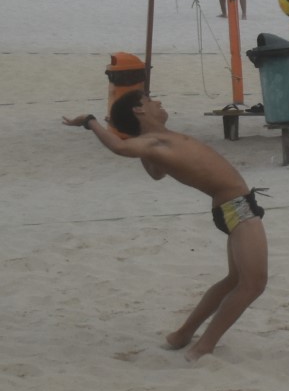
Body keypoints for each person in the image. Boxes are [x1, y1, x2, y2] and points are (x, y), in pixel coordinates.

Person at [63, 91, 269, 361]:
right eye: (149, 100)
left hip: (236, 206)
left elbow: (157, 173)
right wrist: (91, 122)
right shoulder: (152, 141)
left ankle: (181, 335)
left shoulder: (158, 142)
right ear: (139, 110)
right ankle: (202, 348)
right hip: (237, 208)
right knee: (253, 284)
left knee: (235, 280)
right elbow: (119, 148)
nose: (158, 102)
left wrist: (132, 137)